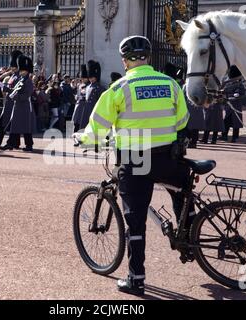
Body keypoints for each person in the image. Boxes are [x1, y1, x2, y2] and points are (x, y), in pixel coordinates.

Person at [74, 35, 191, 297]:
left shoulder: (118, 89)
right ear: (148, 58)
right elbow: (183, 118)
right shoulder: (170, 83)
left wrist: (80, 138)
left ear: (125, 60)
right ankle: (188, 237)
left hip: (136, 161)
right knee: (182, 191)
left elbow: (96, 129)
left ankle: (135, 278)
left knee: (135, 222)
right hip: (168, 158)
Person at [0, 55, 35, 152]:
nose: (21, 72)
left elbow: (26, 95)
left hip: (24, 106)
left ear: (27, 71)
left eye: (23, 70)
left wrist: (16, 97)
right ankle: (10, 143)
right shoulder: (21, 80)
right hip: (17, 106)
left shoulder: (28, 82)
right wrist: (7, 89)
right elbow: (15, 91)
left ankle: (29, 145)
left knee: (25, 126)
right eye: (21, 70)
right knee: (14, 125)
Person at [0, 50, 22, 147]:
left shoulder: (19, 77)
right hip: (8, 103)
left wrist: (4, 87)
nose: (12, 68)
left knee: (13, 124)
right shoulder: (12, 76)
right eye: (12, 66)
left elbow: (15, 90)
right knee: (2, 123)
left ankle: (13, 143)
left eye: (14, 67)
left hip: (14, 103)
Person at [221, 66, 246, 143]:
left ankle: (235, 137)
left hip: (236, 105)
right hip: (228, 104)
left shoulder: (239, 84)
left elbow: (242, 92)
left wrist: (237, 94)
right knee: (226, 121)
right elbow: (224, 91)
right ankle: (224, 135)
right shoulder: (227, 82)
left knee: (236, 122)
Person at [81, 60, 104, 130]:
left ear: (96, 77)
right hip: (87, 109)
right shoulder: (88, 86)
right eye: (90, 77)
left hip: (94, 109)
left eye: (92, 77)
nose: (91, 79)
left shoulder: (100, 88)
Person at [71, 64, 89, 133]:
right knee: (76, 122)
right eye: (82, 78)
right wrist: (76, 96)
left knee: (83, 122)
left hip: (84, 106)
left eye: (84, 78)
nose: (83, 79)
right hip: (78, 105)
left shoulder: (88, 86)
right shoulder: (79, 85)